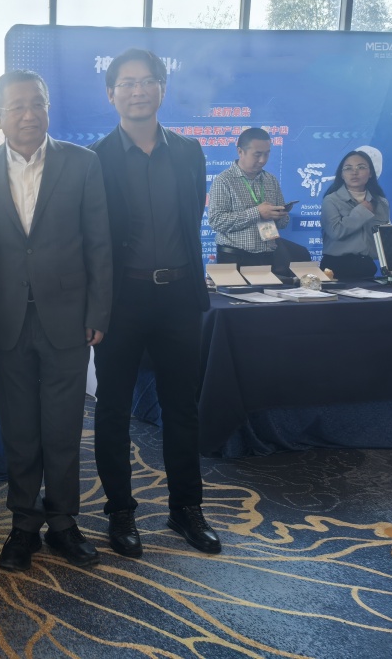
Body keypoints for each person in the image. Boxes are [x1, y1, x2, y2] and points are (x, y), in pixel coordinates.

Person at [0, 70, 111, 572]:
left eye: (37, 104)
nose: (29, 115)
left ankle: (65, 522)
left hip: (68, 319)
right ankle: (24, 524)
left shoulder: (83, 163)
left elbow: (99, 244)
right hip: (5, 321)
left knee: (64, 427)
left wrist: (98, 312)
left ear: (48, 107)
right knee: (20, 429)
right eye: (17, 107)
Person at [89, 48, 221, 557]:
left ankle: (186, 508)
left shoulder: (189, 152)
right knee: (113, 410)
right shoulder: (94, 159)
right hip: (122, 297)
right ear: (111, 94)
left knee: (182, 408)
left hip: (179, 295)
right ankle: (120, 512)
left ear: (162, 88)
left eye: (147, 81)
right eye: (126, 83)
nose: (137, 91)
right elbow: (92, 238)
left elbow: (192, 220)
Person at [208, 127, 289, 268]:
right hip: (234, 257)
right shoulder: (224, 180)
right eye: (257, 154)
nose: (262, 160)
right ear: (240, 151)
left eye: (267, 154)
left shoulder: (271, 180)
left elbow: (283, 224)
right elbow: (216, 221)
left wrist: (279, 215)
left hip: (267, 256)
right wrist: (257, 213)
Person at [321, 150, 390, 279]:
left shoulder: (381, 203)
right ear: (341, 175)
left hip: (367, 266)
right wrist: (362, 211)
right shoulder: (331, 200)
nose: (354, 172)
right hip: (335, 267)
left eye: (361, 167)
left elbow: (385, 238)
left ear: (370, 173)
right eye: (348, 168)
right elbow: (336, 232)